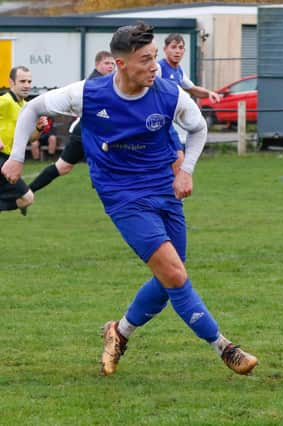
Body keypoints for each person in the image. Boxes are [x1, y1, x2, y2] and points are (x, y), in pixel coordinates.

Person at [2, 22, 258, 377]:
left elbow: (198, 129)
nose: (154, 66)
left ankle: (118, 333)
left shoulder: (170, 94)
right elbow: (32, 109)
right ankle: (225, 347)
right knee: (173, 273)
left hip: (163, 189)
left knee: (171, 280)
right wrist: (16, 156)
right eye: (145, 60)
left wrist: (187, 171)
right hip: (121, 195)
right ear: (121, 65)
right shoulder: (89, 94)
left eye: (154, 58)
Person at [29, 51, 115, 192]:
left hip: (93, 133)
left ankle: (27, 192)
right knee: (63, 167)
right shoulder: (94, 83)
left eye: (112, 63)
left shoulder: (108, 82)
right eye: (107, 63)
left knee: (64, 168)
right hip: (85, 133)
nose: (111, 66)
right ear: (97, 64)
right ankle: (26, 192)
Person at [157, 33, 220, 170]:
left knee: (180, 159)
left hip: (168, 125)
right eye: (173, 47)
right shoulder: (159, 68)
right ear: (165, 49)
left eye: (180, 47)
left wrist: (209, 93)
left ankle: (172, 189)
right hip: (156, 124)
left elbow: (192, 89)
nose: (177, 51)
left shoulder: (178, 70)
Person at [0, 66, 46, 215]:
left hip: (10, 159)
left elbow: (30, 139)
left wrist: (38, 129)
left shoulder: (27, 107)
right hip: (2, 159)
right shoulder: (4, 101)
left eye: (29, 81)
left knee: (26, 199)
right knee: (27, 197)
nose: (27, 85)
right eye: (22, 81)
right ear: (11, 82)